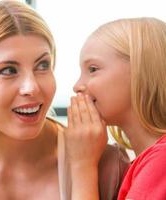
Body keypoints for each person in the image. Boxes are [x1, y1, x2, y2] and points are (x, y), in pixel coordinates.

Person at [0, 1, 129, 199]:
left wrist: (84, 170)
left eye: (42, 65)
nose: (32, 87)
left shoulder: (106, 164)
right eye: (8, 70)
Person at [70, 17, 166, 200]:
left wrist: (82, 166)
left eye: (92, 69)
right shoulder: (146, 163)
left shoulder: (161, 160)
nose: (77, 86)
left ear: (140, 72)